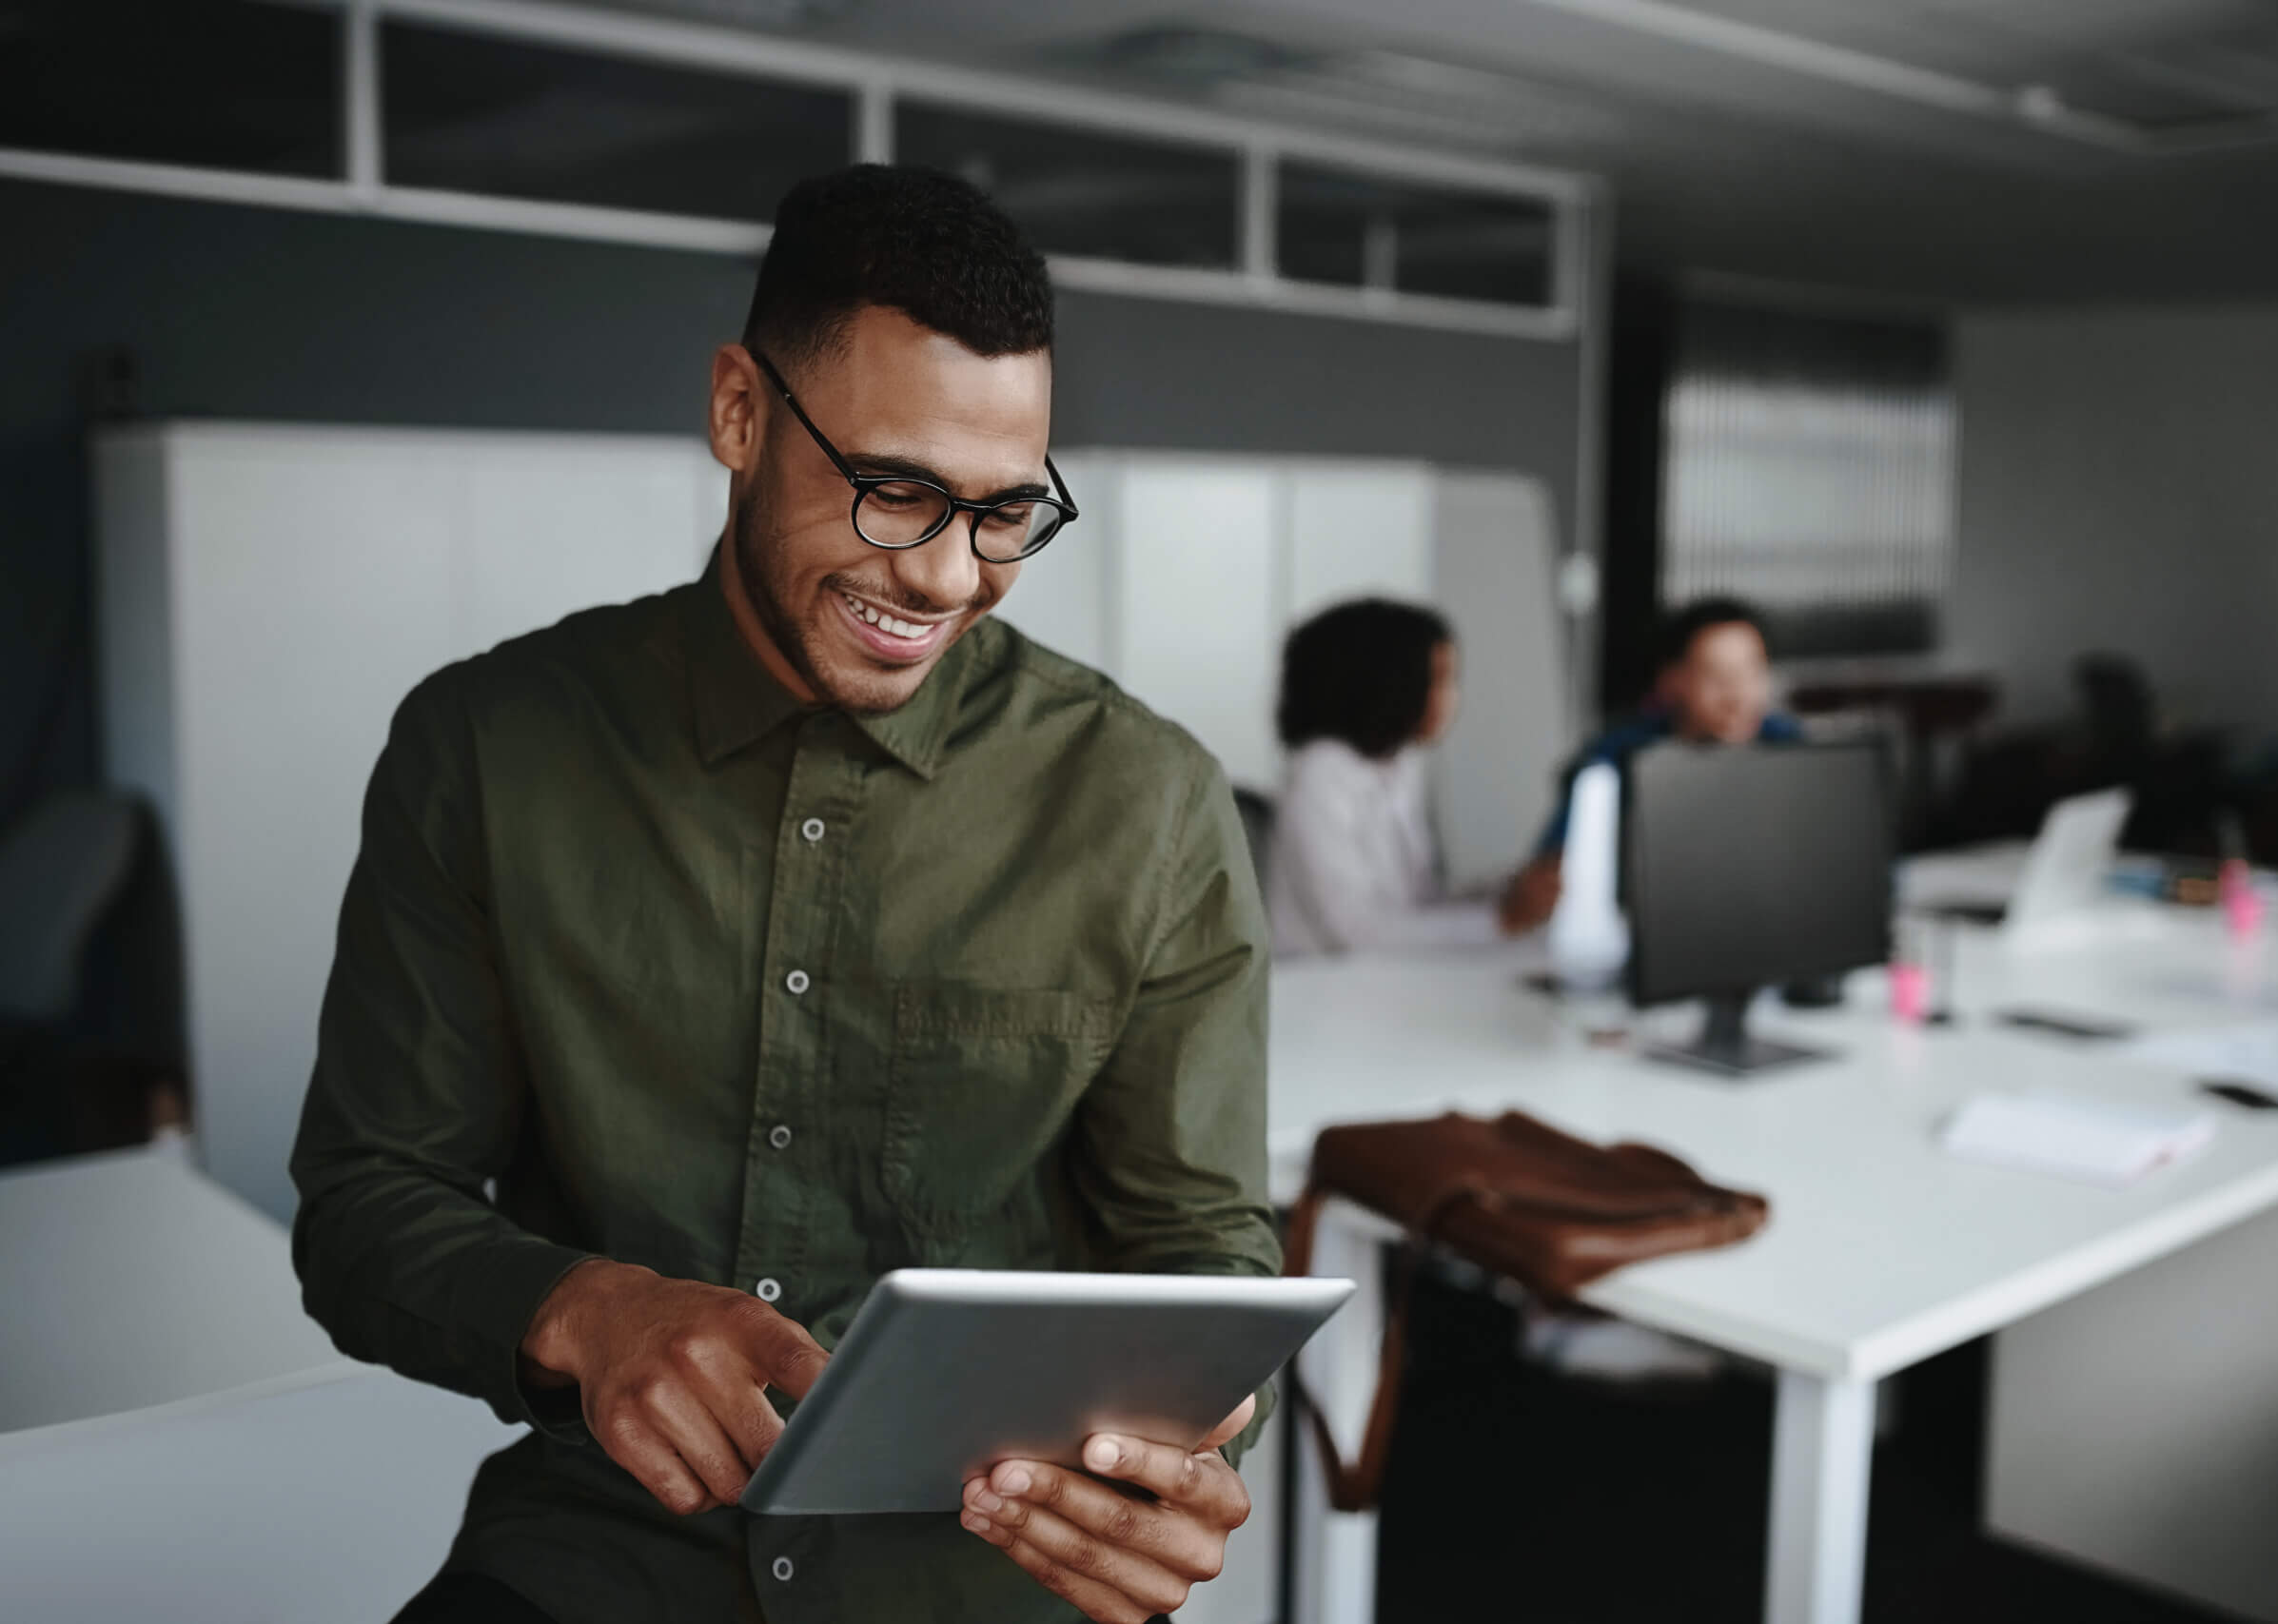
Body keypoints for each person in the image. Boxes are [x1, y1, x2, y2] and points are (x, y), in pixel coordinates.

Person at [290, 166, 1277, 1624]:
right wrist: (583, 1305)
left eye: (1008, 511)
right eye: (897, 492)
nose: (949, 576)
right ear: (740, 414)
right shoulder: (486, 748)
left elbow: (1205, 1257)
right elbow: (367, 1202)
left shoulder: (1152, 803)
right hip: (602, 1553)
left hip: (983, 1568)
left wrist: (1189, 1444)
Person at [1501, 595, 1800, 931]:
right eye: (1715, 675)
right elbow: (1540, 886)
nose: (1737, 695)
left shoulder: (1790, 748)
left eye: (1751, 672)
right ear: (1671, 681)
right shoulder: (1615, 759)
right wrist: (1539, 889)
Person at [1266, 598, 1540, 955]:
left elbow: (1417, 906)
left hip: (1384, 985)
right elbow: (1357, 934)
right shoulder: (1319, 776)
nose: (1451, 697)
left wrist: (1505, 893)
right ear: (1387, 683)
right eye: (1439, 679)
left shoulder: (1397, 768)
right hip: (1322, 992)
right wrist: (1500, 921)